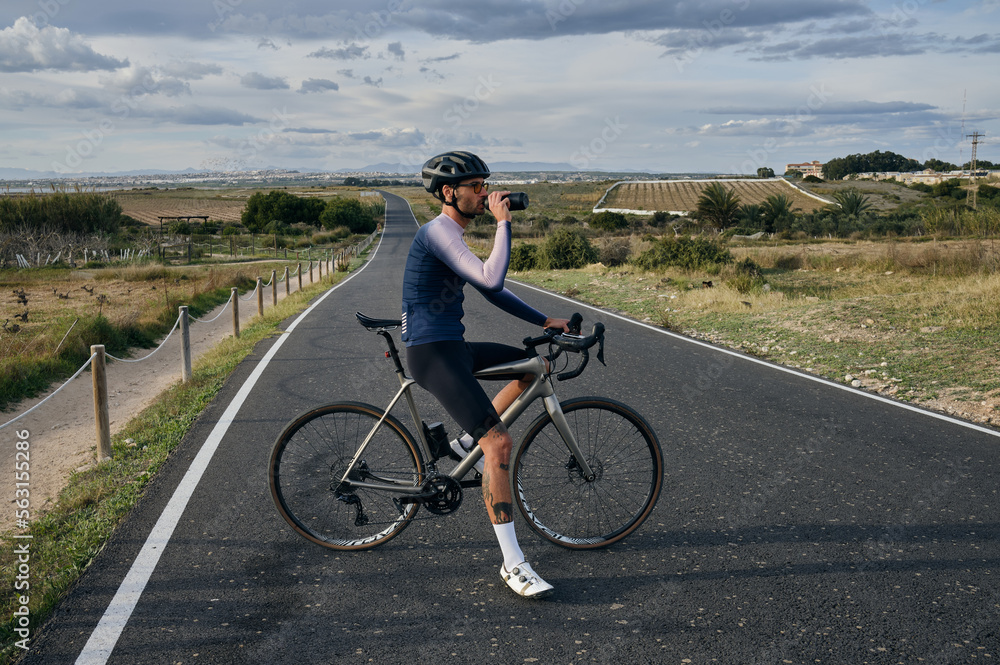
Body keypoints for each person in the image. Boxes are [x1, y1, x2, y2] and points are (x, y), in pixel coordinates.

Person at [401, 151, 569, 599]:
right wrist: (503, 223)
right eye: (476, 188)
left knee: (534, 368)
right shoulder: (438, 231)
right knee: (498, 442)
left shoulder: (451, 234)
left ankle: (460, 444)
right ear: (448, 192)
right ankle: (513, 564)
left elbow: (489, 290)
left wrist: (543, 321)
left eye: (486, 186)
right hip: (432, 353)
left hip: (452, 346)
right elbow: (492, 280)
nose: (485, 193)